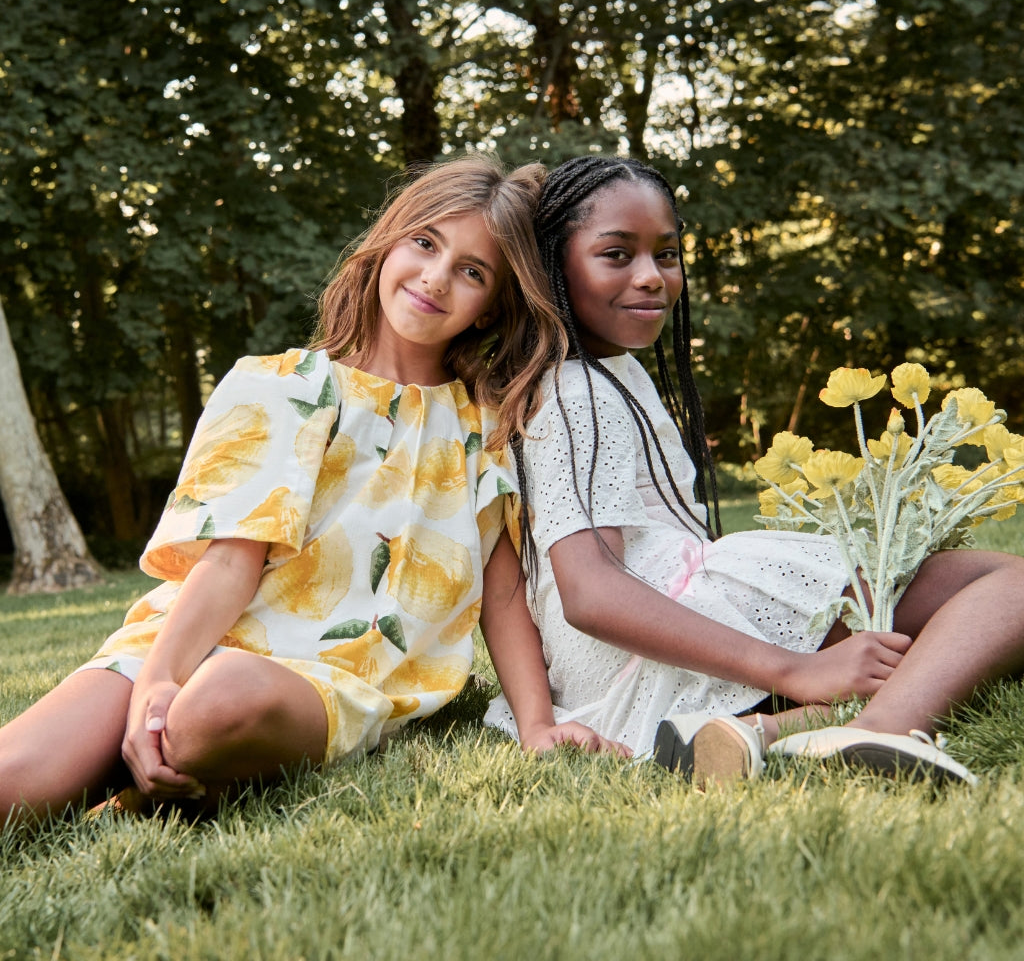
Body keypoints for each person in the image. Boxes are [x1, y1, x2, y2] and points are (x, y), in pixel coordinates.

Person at [0, 155, 603, 827]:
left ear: (492, 308)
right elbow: (231, 560)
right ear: (387, 244)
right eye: (425, 242)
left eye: (472, 271)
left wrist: (537, 724)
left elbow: (501, 589)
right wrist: (157, 679)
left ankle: (158, 778)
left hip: (322, 681)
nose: (436, 277)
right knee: (11, 783)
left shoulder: (484, 430)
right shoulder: (280, 387)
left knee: (218, 702)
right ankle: (153, 768)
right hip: (187, 641)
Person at [481, 155, 1024, 787]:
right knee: (1002, 588)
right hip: (645, 638)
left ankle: (764, 732)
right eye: (617, 254)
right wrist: (794, 670)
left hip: (632, 642)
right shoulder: (576, 392)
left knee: (950, 641)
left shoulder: (594, 373)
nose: (651, 277)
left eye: (666, 254)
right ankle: (880, 728)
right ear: (552, 266)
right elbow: (590, 593)